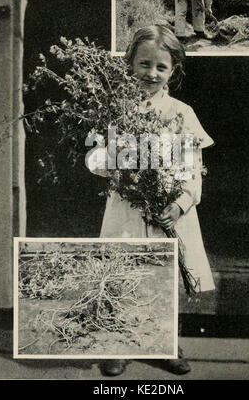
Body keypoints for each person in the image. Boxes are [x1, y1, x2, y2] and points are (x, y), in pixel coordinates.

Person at [86, 25, 215, 376]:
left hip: (168, 212)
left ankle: (166, 341)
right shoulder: (115, 110)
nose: (151, 73)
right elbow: (94, 158)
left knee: (166, 275)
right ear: (130, 64)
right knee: (124, 272)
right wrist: (117, 168)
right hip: (127, 208)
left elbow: (193, 173)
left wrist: (178, 205)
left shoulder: (182, 113)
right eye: (144, 64)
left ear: (173, 70)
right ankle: (120, 342)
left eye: (161, 67)